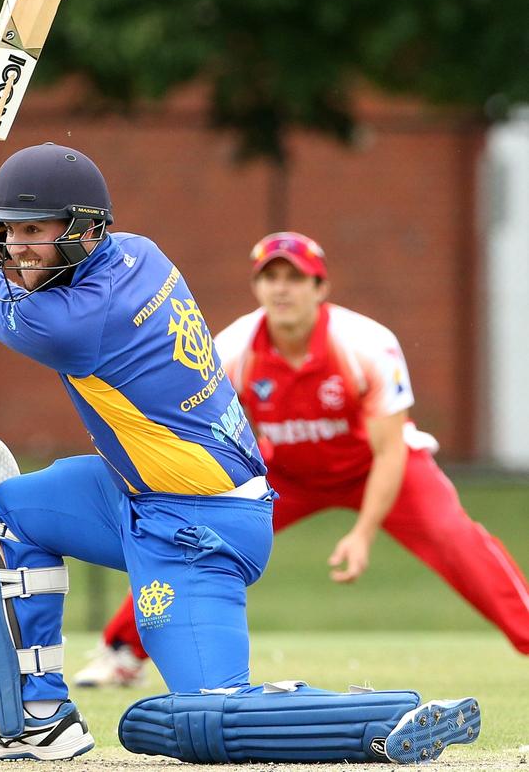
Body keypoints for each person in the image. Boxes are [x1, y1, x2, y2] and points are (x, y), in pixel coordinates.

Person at [0, 152, 480, 764]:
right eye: (10, 229)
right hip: (133, 492)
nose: (17, 245)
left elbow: (9, 316)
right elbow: (12, 297)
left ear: (84, 229)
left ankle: (383, 717)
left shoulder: (76, 322)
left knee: (209, 714)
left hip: (199, 526)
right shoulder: (138, 252)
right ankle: (37, 720)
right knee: (6, 511)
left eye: (34, 229)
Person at [77, 229, 529, 690]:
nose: (281, 288)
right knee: (194, 538)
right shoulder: (233, 348)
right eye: (269, 277)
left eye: (295, 277)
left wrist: (363, 533)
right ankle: (120, 652)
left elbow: (391, 449)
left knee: (455, 538)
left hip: (377, 468)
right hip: (287, 473)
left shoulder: (366, 344)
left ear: (320, 287)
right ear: (256, 287)